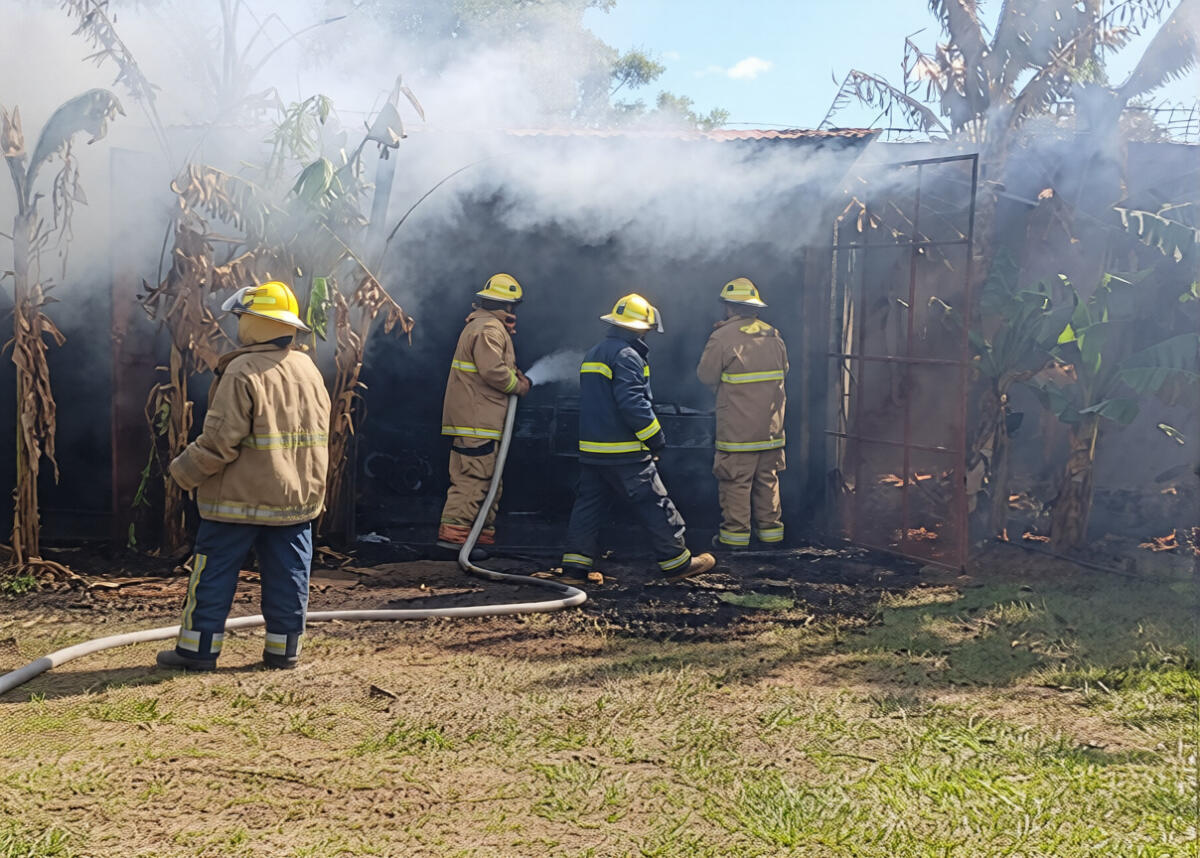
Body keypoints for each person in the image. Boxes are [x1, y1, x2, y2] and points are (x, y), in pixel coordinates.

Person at [156, 281, 331, 671]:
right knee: (290, 576)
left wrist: (181, 474)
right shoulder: (308, 368)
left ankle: (197, 651)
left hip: (236, 501)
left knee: (214, 572)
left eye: (242, 318)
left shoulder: (241, 371)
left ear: (254, 324)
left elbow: (219, 442)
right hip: (295, 503)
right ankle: (284, 651)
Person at [560, 293, 716, 582]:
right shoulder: (628, 356)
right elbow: (633, 403)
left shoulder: (595, 352)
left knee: (588, 507)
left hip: (593, 452)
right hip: (625, 451)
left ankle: (574, 569)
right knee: (653, 502)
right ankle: (677, 562)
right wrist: (655, 437)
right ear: (640, 328)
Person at [437, 273, 531, 556]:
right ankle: (454, 540)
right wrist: (519, 386)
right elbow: (493, 372)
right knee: (472, 480)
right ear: (508, 306)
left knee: (490, 481)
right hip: (476, 421)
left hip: (481, 420)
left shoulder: (486, 327)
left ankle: (478, 538)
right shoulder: (489, 329)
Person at [696, 277, 789, 549]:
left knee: (735, 483)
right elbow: (784, 371)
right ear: (755, 308)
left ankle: (734, 540)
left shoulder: (722, 337)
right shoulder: (773, 335)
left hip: (737, 432)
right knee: (768, 482)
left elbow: (705, 375)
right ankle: (772, 536)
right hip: (771, 430)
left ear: (728, 308)